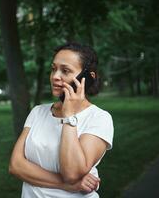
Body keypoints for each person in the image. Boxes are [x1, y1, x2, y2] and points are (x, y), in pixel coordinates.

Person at [9, 42, 114, 198]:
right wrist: (66, 185)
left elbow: (72, 173)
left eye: (65, 70)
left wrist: (69, 116)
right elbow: (16, 166)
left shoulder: (99, 118)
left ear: (88, 77)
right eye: (53, 69)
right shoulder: (38, 112)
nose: (55, 76)